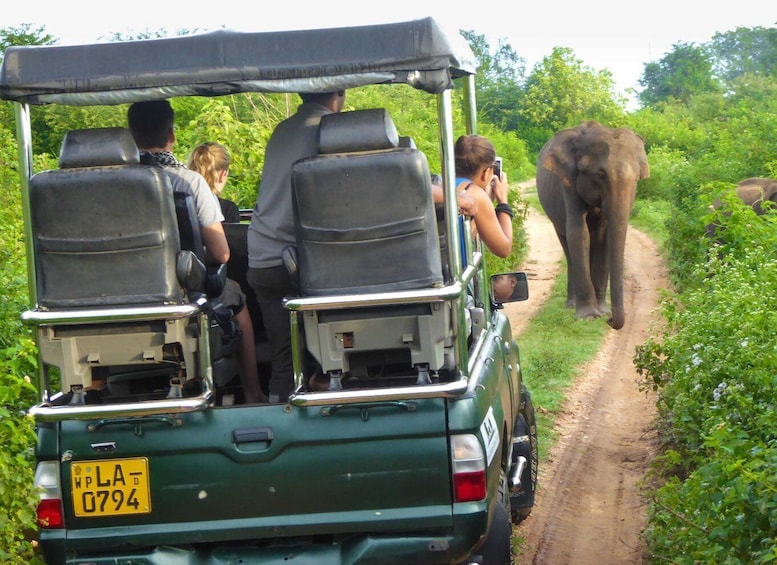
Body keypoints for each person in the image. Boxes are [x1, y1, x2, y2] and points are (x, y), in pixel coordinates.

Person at [247, 90, 347, 403]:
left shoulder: (281, 130)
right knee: (337, 352)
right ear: (339, 94)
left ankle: (280, 413)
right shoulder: (336, 130)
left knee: (284, 361)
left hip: (264, 256)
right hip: (314, 263)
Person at [188, 142, 267, 404]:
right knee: (237, 298)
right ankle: (253, 391)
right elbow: (222, 254)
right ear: (223, 174)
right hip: (198, 283)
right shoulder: (220, 205)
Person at [127, 100, 230, 265]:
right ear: (171, 135)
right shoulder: (190, 182)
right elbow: (221, 254)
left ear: (130, 136)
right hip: (179, 285)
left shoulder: (111, 184)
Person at [451, 134, 513, 258]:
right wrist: (503, 203)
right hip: (456, 274)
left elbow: (465, 235)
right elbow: (503, 249)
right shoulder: (476, 195)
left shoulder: (444, 186)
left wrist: (488, 200)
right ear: (486, 172)